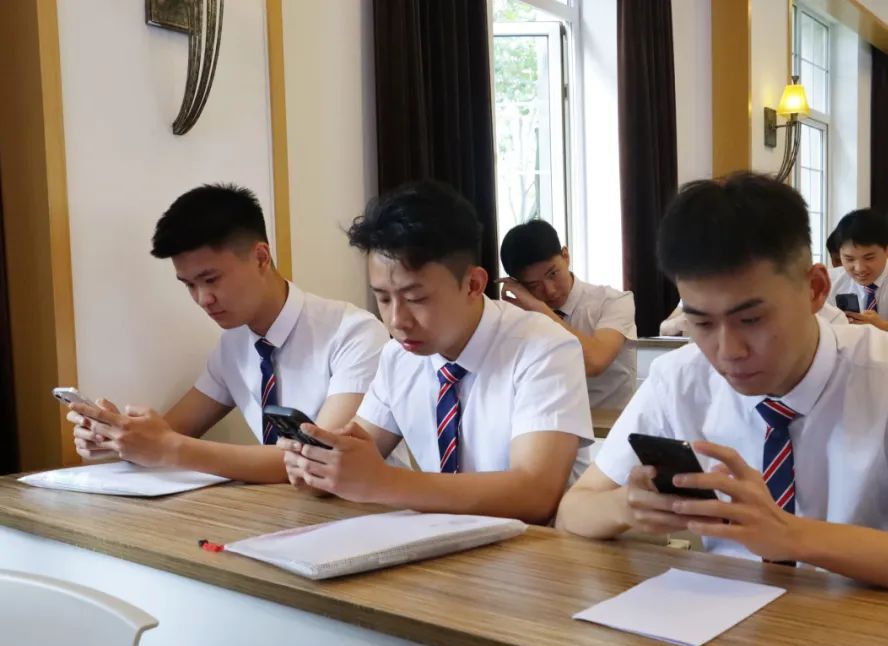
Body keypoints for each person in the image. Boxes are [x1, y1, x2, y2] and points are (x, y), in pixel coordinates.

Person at [555, 172, 888, 604]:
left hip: (871, 627)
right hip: (723, 625)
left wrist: (793, 536)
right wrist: (627, 506)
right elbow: (573, 511)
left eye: (751, 319)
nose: (727, 351)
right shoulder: (679, 379)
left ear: (815, 289)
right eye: (701, 322)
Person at [278, 181, 594, 524]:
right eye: (382, 298)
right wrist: (320, 465)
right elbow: (361, 446)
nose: (396, 320)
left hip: (541, 549)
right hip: (442, 542)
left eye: (416, 298)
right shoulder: (398, 357)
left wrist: (385, 481)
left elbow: (535, 494)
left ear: (473, 284)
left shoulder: (544, 348)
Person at [68, 184, 389, 483]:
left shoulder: (354, 333)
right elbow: (171, 431)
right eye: (189, 285)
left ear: (261, 258)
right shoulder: (233, 345)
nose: (202, 299)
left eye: (211, 279)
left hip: (365, 511)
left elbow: (320, 459)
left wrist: (168, 448)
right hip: (277, 512)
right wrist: (117, 437)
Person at [498, 220, 637, 409]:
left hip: (609, 424)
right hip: (547, 423)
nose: (549, 290)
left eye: (553, 274)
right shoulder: (517, 316)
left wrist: (540, 309)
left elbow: (595, 362)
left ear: (566, 256)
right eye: (533, 285)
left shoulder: (614, 301)